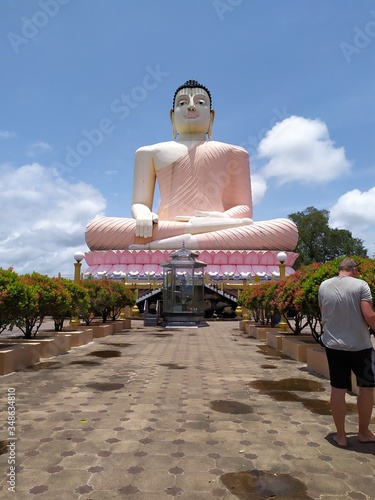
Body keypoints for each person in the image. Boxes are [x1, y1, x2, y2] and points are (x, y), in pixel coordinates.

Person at [85, 80, 298, 251]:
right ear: (172, 116)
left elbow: (244, 210)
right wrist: (142, 215)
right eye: (183, 103)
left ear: (212, 116)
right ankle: (185, 237)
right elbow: (140, 203)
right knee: (96, 229)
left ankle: (161, 246)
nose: (192, 106)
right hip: (166, 229)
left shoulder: (234, 152)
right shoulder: (149, 152)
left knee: (285, 230)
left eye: (201, 103)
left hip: (220, 228)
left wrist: (222, 218)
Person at [318, 257, 375, 447]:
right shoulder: (361, 285)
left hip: (334, 346)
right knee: (366, 388)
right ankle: (364, 432)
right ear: (354, 269)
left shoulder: (324, 286)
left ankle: (341, 436)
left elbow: (323, 311)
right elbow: (369, 315)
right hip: (361, 347)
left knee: (338, 388)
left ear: (340, 269)